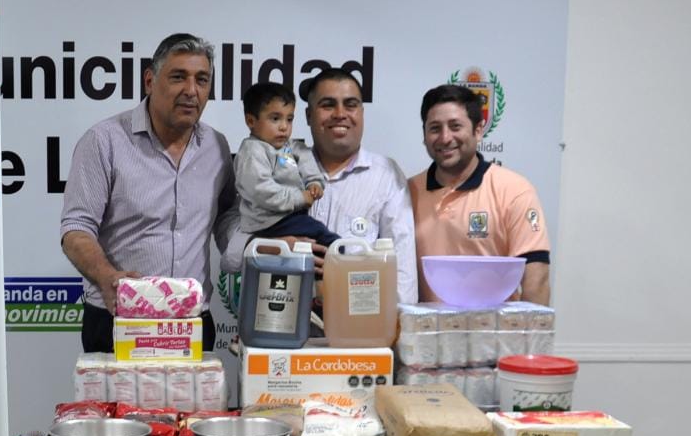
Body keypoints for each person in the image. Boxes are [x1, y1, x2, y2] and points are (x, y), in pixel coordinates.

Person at [61, 33, 239, 352]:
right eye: (178, 77)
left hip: (192, 321)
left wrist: (253, 250)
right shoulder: (104, 141)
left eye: (202, 80)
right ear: (149, 81)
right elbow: (76, 229)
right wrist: (108, 277)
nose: (191, 90)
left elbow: (226, 216)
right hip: (119, 320)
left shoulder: (217, 146)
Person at [223, 67, 418, 308]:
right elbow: (230, 231)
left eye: (350, 105)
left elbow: (402, 270)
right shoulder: (271, 160)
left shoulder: (386, 175)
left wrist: (397, 325)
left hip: (354, 324)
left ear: (361, 113)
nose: (340, 114)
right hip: (274, 317)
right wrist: (268, 246)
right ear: (308, 115)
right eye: (328, 105)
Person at [410, 84, 551, 305]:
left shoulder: (515, 191)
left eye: (455, 126)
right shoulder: (407, 192)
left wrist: (529, 328)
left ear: (478, 130)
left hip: (494, 328)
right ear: (424, 135)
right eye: (435, 128)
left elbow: (537, 279)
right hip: (426, 327)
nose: (445, 138)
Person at [234, 81, 339, 247]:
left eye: (289, 119)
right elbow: (262, 191)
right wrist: (299, 198)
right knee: (321, 234)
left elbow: (304, 155)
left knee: (311, 238)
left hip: (288, 217)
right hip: (268, 222)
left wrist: (314, 182)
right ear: (251, 121)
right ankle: (343, 253)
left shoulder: (288, 146)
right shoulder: (252, 151)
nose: (284, 127)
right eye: (275, 119)